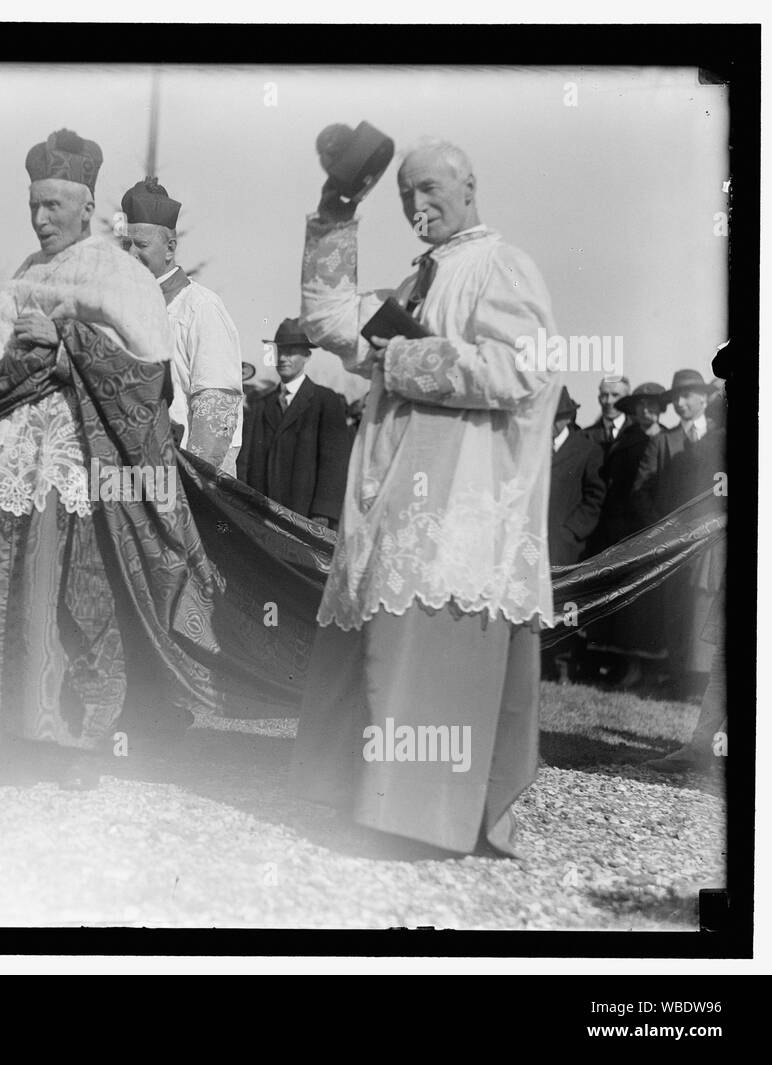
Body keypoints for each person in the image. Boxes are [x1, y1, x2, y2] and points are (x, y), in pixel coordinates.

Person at [0, 128, 222, 788]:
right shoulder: (27, 271)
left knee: (72, 599)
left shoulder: (119, 271)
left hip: (82, 466)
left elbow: (151, 373)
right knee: (6, 592)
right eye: (33, 205)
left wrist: (65, 345)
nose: (40, 217)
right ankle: (13, 724)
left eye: (53, 205)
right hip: (15, 465)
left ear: (88, 206)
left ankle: (73, 734)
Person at [289, 134, 561, 857]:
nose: (417, 204)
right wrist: (335, 209)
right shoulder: (415, 281)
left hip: (459, 504)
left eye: (431, 189)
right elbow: (330, 324)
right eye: (406, 193)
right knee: (382, 649)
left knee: (423, 649)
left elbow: (520, 370)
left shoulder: (503, 264)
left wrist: (403, 357)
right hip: (396, 493)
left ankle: (425, 817)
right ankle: (372, 801)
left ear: (470, 186)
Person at [119, 177, 244, 473]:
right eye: (125, 244)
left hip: (183, 479)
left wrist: (189, 487)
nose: (131, 254)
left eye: (141, 245)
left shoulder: (200, 308)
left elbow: (216, 410)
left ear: (170, 247)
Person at [632, 368, 726, 697]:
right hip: (674, 542)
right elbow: (641, 491)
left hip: (713, 539)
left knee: (707, 608)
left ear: (704, 397)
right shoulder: (663, 441)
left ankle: (703, 681)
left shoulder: (721, 436)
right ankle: (678, 679)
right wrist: (666, 530)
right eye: (676, 398)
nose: (681, 403)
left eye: (687, 396)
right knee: (675, 607)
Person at [581, 382, 669, 688]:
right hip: (626, 529)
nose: (647, 411)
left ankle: (652, 669)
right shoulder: (628, 440)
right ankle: (626, 666)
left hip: (658, 528)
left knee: (652, 600)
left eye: (653, 406)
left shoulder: (668, 437)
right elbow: (620, 488)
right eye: (641, 407)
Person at [237, 318, 353, 529]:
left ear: (307, 355)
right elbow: (246, 460)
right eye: (279, 352)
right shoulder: (261, 404)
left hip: (307, 517)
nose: (283, 358)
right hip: (263, 515)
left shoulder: (325, 401)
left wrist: (323, 513)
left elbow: (335, 464)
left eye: (291, 352)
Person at [543, 386, 605, 681]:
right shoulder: (535, 446)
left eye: (556, 416)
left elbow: (595, 497)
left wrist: (571, 532)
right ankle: (541, 664)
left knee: (565, 604)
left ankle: (565, 664)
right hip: (534, 543)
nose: (550, 423)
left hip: (566, 545)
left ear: (567, 417)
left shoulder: (587, 448)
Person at [583, 375, 630, 455]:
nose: (609, 401)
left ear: (627, 399)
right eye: (604, 395)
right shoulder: (585, 436)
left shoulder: (639, 432)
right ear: (599, 399)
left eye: (615, 395)